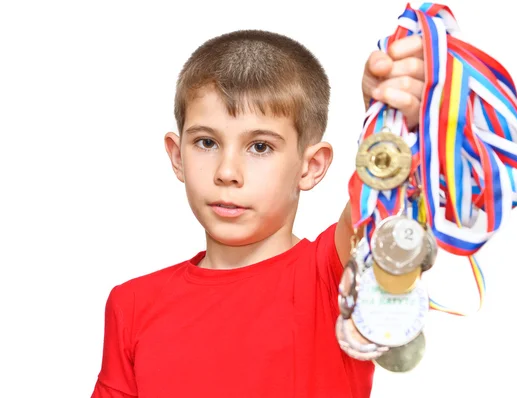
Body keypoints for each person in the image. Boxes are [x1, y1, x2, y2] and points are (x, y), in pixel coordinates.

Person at [91, 28, 426, 398]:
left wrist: (392, 121)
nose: (227, 172)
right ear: (177, 155)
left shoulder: (331, 274)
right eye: (206, 142)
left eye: (260, 147)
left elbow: (383, 206)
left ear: (311, 166)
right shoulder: (132, 305)